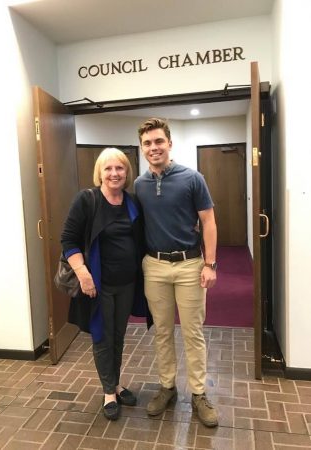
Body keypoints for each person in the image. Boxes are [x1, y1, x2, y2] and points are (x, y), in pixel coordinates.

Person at [134, 118, 218, 427]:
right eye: (147, 143)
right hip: (154, 267)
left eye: (158, 141)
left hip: (189, 265)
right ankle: (167, 387)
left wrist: (210, 264)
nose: (153, 148)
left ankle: (198, 393)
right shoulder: (139, 185)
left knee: (193, 333)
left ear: (169, 143)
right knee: (162, 332)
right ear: (142, 148)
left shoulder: (192, 178)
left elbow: (208, 221)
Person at [61, 147, 147, 421]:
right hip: (97, 285)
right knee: (102, 335)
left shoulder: (132, 202)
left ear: (127, 172)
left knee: (118, 336)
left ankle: (116, 382)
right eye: (108, 169)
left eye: (119, 168)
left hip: (127, 283)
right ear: (100, 173)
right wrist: (84, 275)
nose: (114, 173)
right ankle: (109, 391)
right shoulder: (87, 200)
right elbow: (68, 240)